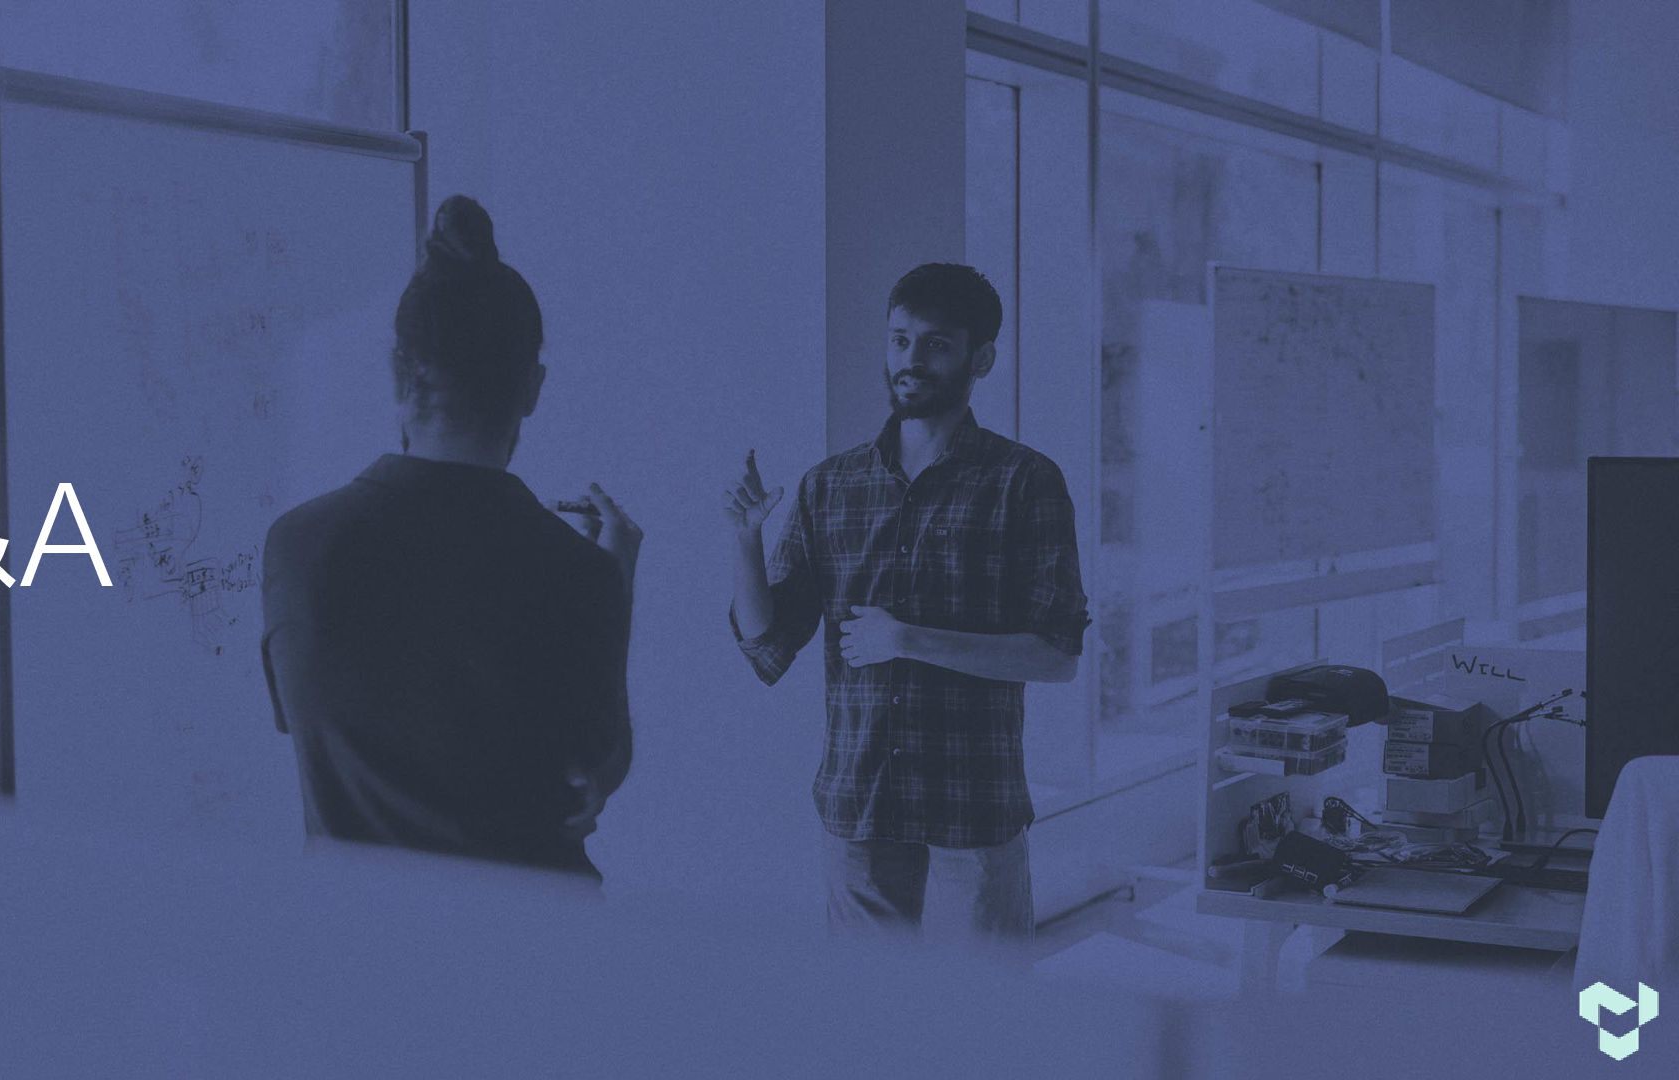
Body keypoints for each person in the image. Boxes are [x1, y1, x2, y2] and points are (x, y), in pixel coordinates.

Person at [261, 195, 641, 881]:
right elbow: (595, 770)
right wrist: (614, 575)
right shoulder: (577, 572)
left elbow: (325, 727)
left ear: (399, 374)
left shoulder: (296, 547)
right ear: (532, 388)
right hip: (530, 940)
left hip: (346, 937)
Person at [727, 263, 1089, 938]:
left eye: (936, 344)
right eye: (899, 340)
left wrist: (908, 639)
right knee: (864, 1006)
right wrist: (746, 540)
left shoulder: (1025, 481)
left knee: (979, 1005)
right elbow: (767, 645)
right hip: (859, 809)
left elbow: (1057, 654)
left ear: (981, 359)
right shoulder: (828, 486)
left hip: (972, 813)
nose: (911, 360)